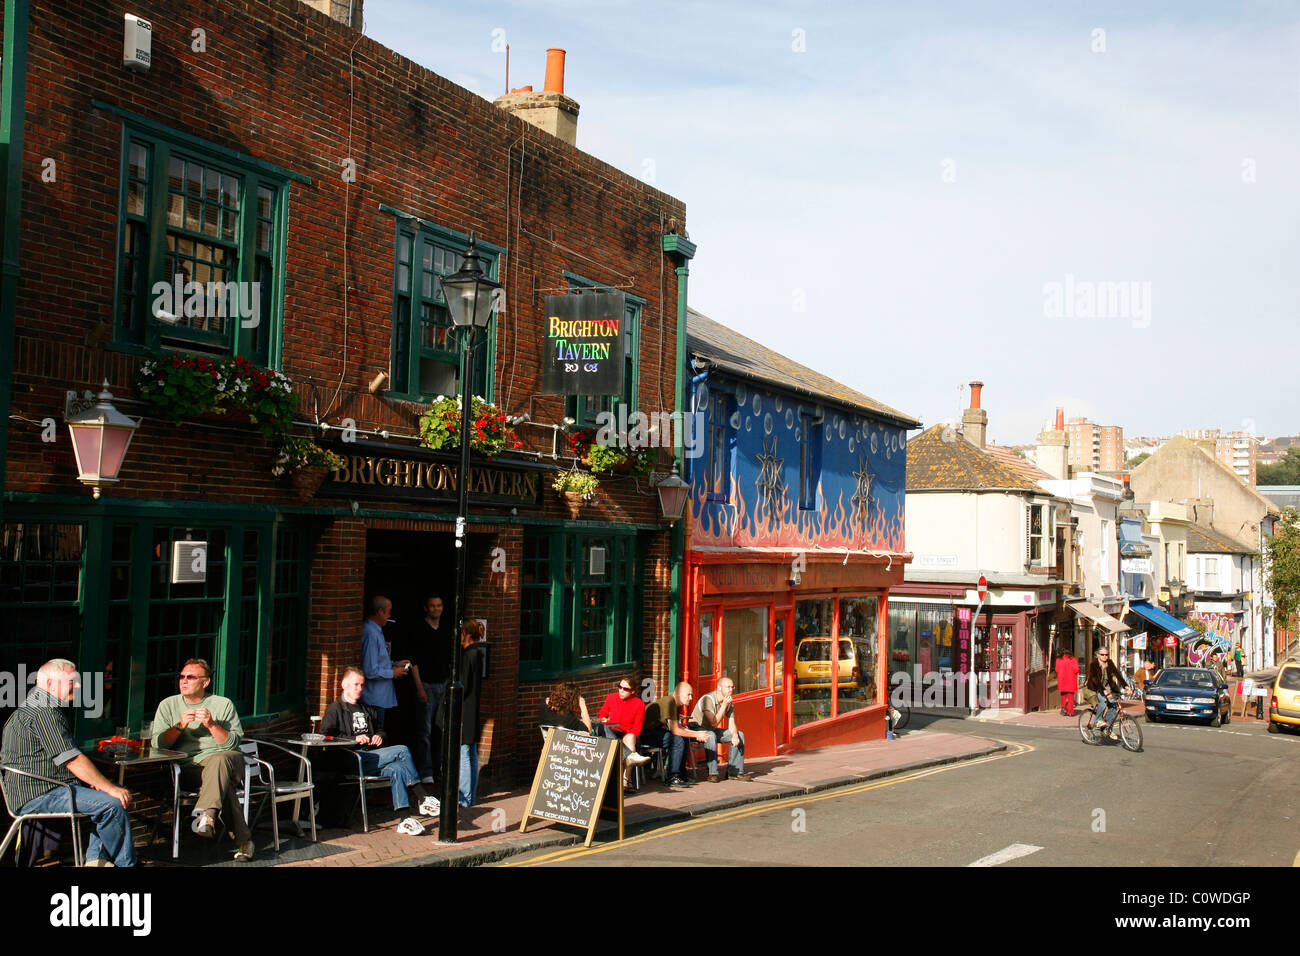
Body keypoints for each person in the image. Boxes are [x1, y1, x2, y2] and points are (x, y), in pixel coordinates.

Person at [0, 659, 135, 867]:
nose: (79, 686)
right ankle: (126, 865)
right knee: (113, 801)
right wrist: (105, 786)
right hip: (40, 792)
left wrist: (100, 784)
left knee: (111, 792)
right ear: (50, 684)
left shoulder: (38, 706)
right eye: (73, 681)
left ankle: (97, 860)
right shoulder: (44, 711)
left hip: (45, 786)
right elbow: (71, 759)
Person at [151, 658, 254, 861]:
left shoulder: (222, 704)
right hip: (190, 769)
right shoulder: (168, 705)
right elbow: (159, 745)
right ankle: (241, 839)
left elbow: (232, 744)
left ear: (205, 682)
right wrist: (179, 726)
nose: (184, 681)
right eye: (182, 677)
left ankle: (207, 814)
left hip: (227, 761)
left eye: (190, 677)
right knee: (223, 788)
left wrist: (212, 724)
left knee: (220, 759)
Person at [320, 667, 439, 833]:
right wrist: (353, 739)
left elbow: (381, 730)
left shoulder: (366, 708)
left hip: (372, 756)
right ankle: (423, 797)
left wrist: (379, 737)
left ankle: (404, 819)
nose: (359, 689)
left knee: (397, 769)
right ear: (344, 685)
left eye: (362, 685)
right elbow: (325, 736)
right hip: (352, 758)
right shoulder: (335, 709)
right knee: (402, 750)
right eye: (356, 685)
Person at [393, 594, 453, 784]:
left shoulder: (446, 629)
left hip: (443, 683)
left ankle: (441, 768)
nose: (436, 609)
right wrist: (419, 688)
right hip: (426, 683)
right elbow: (414, 662)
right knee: (424, 731)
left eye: (439, 605)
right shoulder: (419, 630)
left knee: (441, 729)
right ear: (426, 609)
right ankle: (426, 772)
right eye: (432, 606)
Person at [436, 619, 488, 808]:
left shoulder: (467, 656)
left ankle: (464, 798)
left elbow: (462, 685)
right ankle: (470, 796)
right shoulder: (478, 654)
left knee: (464, 753)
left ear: (465, 634)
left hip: (464, 711)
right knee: (471, 753)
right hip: (472, 710)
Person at [641, 681, 708, 786]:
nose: (690, 698)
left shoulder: (675, 704)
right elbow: (676, 730)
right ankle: (672, 776)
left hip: (655, 732)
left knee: (683, 738)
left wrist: (696, 733)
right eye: (688, 694)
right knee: (677, 739)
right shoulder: (669, 702)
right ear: (678, 693)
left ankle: (681, 774)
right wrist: (697, 735)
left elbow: (680, 727)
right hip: (644, 734)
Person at [360, 596, 410, 729]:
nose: (389, 615)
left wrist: (395, 664)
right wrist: (393, 672)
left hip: (380, 698)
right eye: (388, 611)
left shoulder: (376, 631)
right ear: (380, 612)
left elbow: (378, 660)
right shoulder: (371, 633)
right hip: (374, 699)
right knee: (376, 735)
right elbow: (370, 670)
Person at [688, 677, 750, 782]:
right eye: (728, 687)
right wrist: (724, 705)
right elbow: (713, 722)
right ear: (719, 688)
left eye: (732, 687)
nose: (731, 689)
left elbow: (731, 723)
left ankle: (734, 772)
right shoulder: (708, 699)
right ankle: (712, 773)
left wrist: (735, 735)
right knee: (710, 735)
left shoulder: (729, 702)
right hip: (696, 728)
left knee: (740, 735)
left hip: (710, 729)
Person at [596, 677, 651, 788]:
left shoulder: (639, 704)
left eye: (625, 689)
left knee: (630, 739)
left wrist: (623, 731)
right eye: (619, 687)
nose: (621, 690)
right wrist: (605, 721)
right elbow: (601, 715)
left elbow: (636, 729)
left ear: (633, 691)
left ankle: (626, 779)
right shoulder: (612, 697)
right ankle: (627, 772)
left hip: (629, 735)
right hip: (611, 731)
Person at [1085, 647, 1126, 738]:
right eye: (1102, 655)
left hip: (1107, 687)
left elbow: (1117, 674)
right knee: (1103, 701)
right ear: (1098, 655)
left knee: (1113, 705)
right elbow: (1095, 679)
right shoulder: (1094, 664)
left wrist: (1126, 687)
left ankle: (1107, 728)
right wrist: (1104, 691)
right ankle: (1098, 720)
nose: (1105, 656)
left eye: (1106, 655)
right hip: (1095, 688)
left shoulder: (1109, 663)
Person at [1054, 650, 1079, 716]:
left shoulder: (1059, 660)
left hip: (1062, 680)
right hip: (1071, 681)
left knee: (1063, 695)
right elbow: (1076, 670)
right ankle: (1070, 712)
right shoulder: (1073, 659)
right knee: (1070, 697)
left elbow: (1056, 669)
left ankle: (1064, 708)